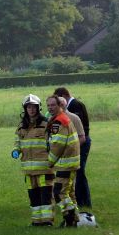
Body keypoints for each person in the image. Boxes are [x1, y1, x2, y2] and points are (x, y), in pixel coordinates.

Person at [12, 94, 54, 226]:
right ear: (25, 108)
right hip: (28, 169)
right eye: (28, 107)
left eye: (34, 107)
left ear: (38, 108)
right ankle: (36, 221)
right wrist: (15, 150)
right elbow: (18, 141)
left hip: (44, 167)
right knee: (33, 195)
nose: (31, 110)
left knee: (45, 195)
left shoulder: (46, 124)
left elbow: (53, 143)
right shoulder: (21, 126)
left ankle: (47, 220)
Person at [54, 87, 92, 208]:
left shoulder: (76, 105)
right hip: (71, 147)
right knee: (71, 175)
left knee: (79, 172)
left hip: (81, 144)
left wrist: (72, 148)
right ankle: (73, 200)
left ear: (64, 96)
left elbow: (82, 133)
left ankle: (84, 201)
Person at [46, 95, 80, 227]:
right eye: (48, 105)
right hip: (71, 163)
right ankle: (73, 220)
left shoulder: (58, 122)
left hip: (64, 164)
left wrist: (49, 162)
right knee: (69, 193)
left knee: (59, 192)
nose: (50, 108)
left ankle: (70, 218)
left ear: (60, 105)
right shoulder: (62, 119)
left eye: (53, 105)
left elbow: (57, 145)